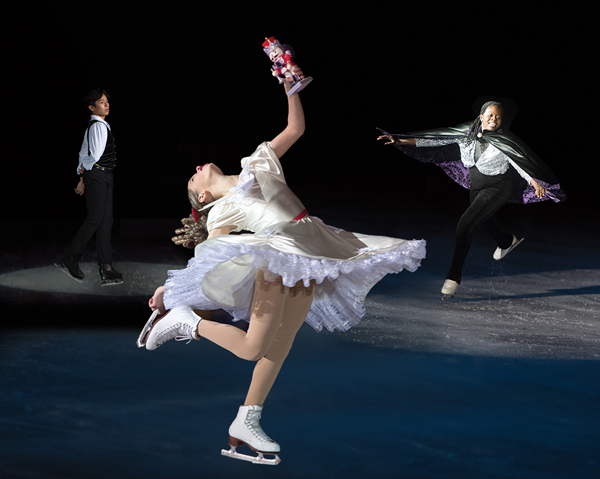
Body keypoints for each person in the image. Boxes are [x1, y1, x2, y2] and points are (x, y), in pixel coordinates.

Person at [136, 66, 426, 465]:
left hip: (312, 250)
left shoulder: (257, 162)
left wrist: (289, 88)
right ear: (201, 195)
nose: (199, 166)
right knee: (254, 347)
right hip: (278, 253)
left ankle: (246, 419)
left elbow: (294, 129)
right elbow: (208, 257)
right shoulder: (220, 211)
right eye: (193, 175)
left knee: (281, 344)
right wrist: (171, 291)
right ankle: (186, 322)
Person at [377, 100, 565, 299]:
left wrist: (534, 182)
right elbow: (434, 140)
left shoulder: (504, 140)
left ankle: (453, 277)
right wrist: (399, 141)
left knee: (465, 225)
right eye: (490, 115)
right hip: (477, 185)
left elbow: (517, 161)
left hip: (499, 185)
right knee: (484, 221)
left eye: (498, 117)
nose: (494, 119)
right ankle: (507, 241)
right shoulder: (465, 134)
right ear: (482, 116)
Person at [55, 89, 123, 286]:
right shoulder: (97, 126)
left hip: (102, 176)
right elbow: (93, 155)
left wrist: (81, 176)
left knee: (105, 222)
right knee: (95, 218)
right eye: (101, 102)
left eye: (107, 101)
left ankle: (106, 267)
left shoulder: (99, 125)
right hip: (99, 175)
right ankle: (71, 257)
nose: (106, 104)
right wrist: (86, 176)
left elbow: (83, 153)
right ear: (92, 107)